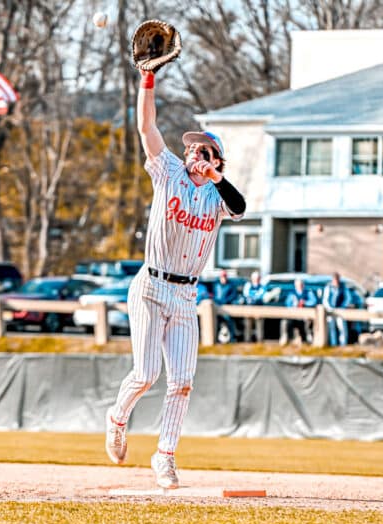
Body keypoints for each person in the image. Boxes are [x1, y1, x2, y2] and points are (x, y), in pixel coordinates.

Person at [104, 67, 246, 489]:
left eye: (204, 151)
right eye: (192, 149)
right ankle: (117, 418)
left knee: (182, 382)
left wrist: (217, 177)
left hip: (185, 297)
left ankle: (164, 456)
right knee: (146, 374)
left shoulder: (217, 194)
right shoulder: (168, 171)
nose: (194, 153)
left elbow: (239, 208)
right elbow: (146, 126)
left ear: (217, 162)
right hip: (151, 286)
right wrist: (147, 80)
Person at [280, 278, 318, 345]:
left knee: (308, 322)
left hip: (305, 316)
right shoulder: (292, 294)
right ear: (295, 286)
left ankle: (308, 339)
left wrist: (305, 302)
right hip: (294, 316)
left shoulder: (308, 292)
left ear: (303, 285)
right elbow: (287, 304)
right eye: (298, 285)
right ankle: (285, 338)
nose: (299, 286)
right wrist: (294, 305)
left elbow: (314, 301)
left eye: (301, 285)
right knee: (285, 322)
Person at [322, 273, 350, 346]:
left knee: (342, 328)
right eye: (335, 279)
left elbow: (348, 298)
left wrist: (342, 306)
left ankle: (343, 344)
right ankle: (333, 344)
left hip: (340, 310)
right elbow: (325, 300)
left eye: (337, 279)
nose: (336, 281)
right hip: (331, 311)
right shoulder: (328, 287)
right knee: (332, 328)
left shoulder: (343, 287)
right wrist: (330, 308)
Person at [212, 270, 240, 343]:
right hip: (217, 307)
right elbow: (213, 295)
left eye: (224, 276)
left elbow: (233, 296)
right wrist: (216, 301)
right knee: (216, 322)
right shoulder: (216, 285)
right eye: (222, 276)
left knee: (229, 321)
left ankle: (232, 338)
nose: (223, 278)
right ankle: (216, 338)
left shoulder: (230, 285)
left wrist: (226, 300)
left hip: (227, 308)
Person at [240, 270, 266, 342]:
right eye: (254, 278)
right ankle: (247, 340)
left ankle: (260, 340)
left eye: (257, 278)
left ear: (259, 278)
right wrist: (253, 297)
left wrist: (252, 298)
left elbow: (260, 296)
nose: (256, 280)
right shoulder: (248, 285)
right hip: (249, 308)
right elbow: (246, 295)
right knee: (247, 324)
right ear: (252, 278)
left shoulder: (262, 287)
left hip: (259, 308)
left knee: (259, 323)